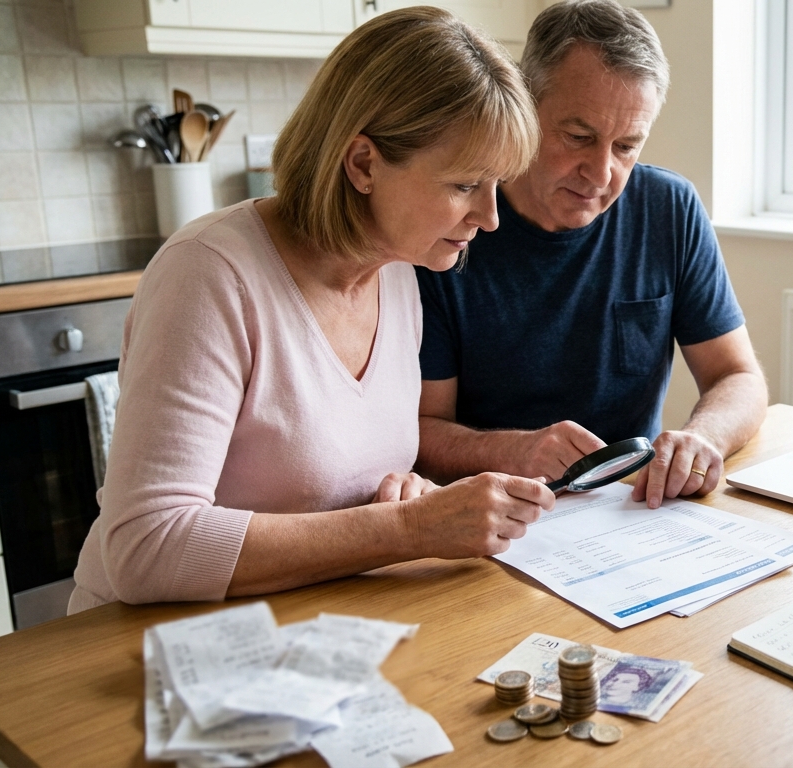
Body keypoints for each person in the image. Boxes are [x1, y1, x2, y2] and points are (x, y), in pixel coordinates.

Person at [69, 7, 550, 611]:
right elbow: (146, 546)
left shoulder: (400, 274)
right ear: (364, 164)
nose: (490, 217)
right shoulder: (210, 274)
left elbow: (329, 496)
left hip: (303, 625)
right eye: (463, 186)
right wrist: (407, 531)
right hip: (141, 654)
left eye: (495, 185)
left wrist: (406, 499)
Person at [415, 0, 768, 509]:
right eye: (579, 137)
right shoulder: (453, 226)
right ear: (524, 105)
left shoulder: (669, 208)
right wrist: (515, 450)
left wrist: (704, 437)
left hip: (631, 511)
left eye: (626, 146)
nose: (601, 173)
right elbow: (421, 432)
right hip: (494, 515)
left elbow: (738, 376)